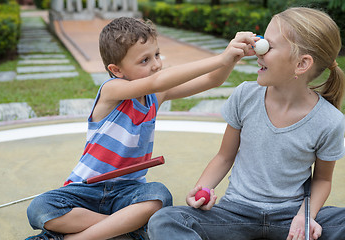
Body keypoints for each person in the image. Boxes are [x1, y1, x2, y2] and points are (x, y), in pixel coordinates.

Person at [25, 17, 258, 240]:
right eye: (144, 60)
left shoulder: (155, 96)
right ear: (117, 70)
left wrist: (233, 58)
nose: (156, 64)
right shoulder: (111, 91)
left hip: (129, 192)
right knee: (40, 208)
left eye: (156, 54)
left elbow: (212, 81)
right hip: (87, 190)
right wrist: (221, 57)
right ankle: (127, 226)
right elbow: (157, 81)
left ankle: (78, 237)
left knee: (159, 197)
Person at [148, 7, 345, 240]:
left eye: (267, 46)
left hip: (290, 218)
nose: (257, 51)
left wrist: (305, 216)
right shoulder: (245, 95)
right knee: (166, 220)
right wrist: (202, 189)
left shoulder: (329, 120)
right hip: (235, 213)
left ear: (302, 64)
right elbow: (224, 156)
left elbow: (322, 179)